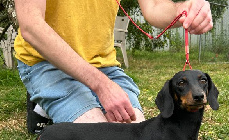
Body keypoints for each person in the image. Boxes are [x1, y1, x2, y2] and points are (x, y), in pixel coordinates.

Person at [14, 0, 213, 133]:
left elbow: (154, 6)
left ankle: (54, 103)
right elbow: (31, 26)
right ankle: (42, 103)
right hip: (47, 62)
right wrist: (102, 86)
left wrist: (182, 10)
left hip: (103, 65)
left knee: (131, 139)